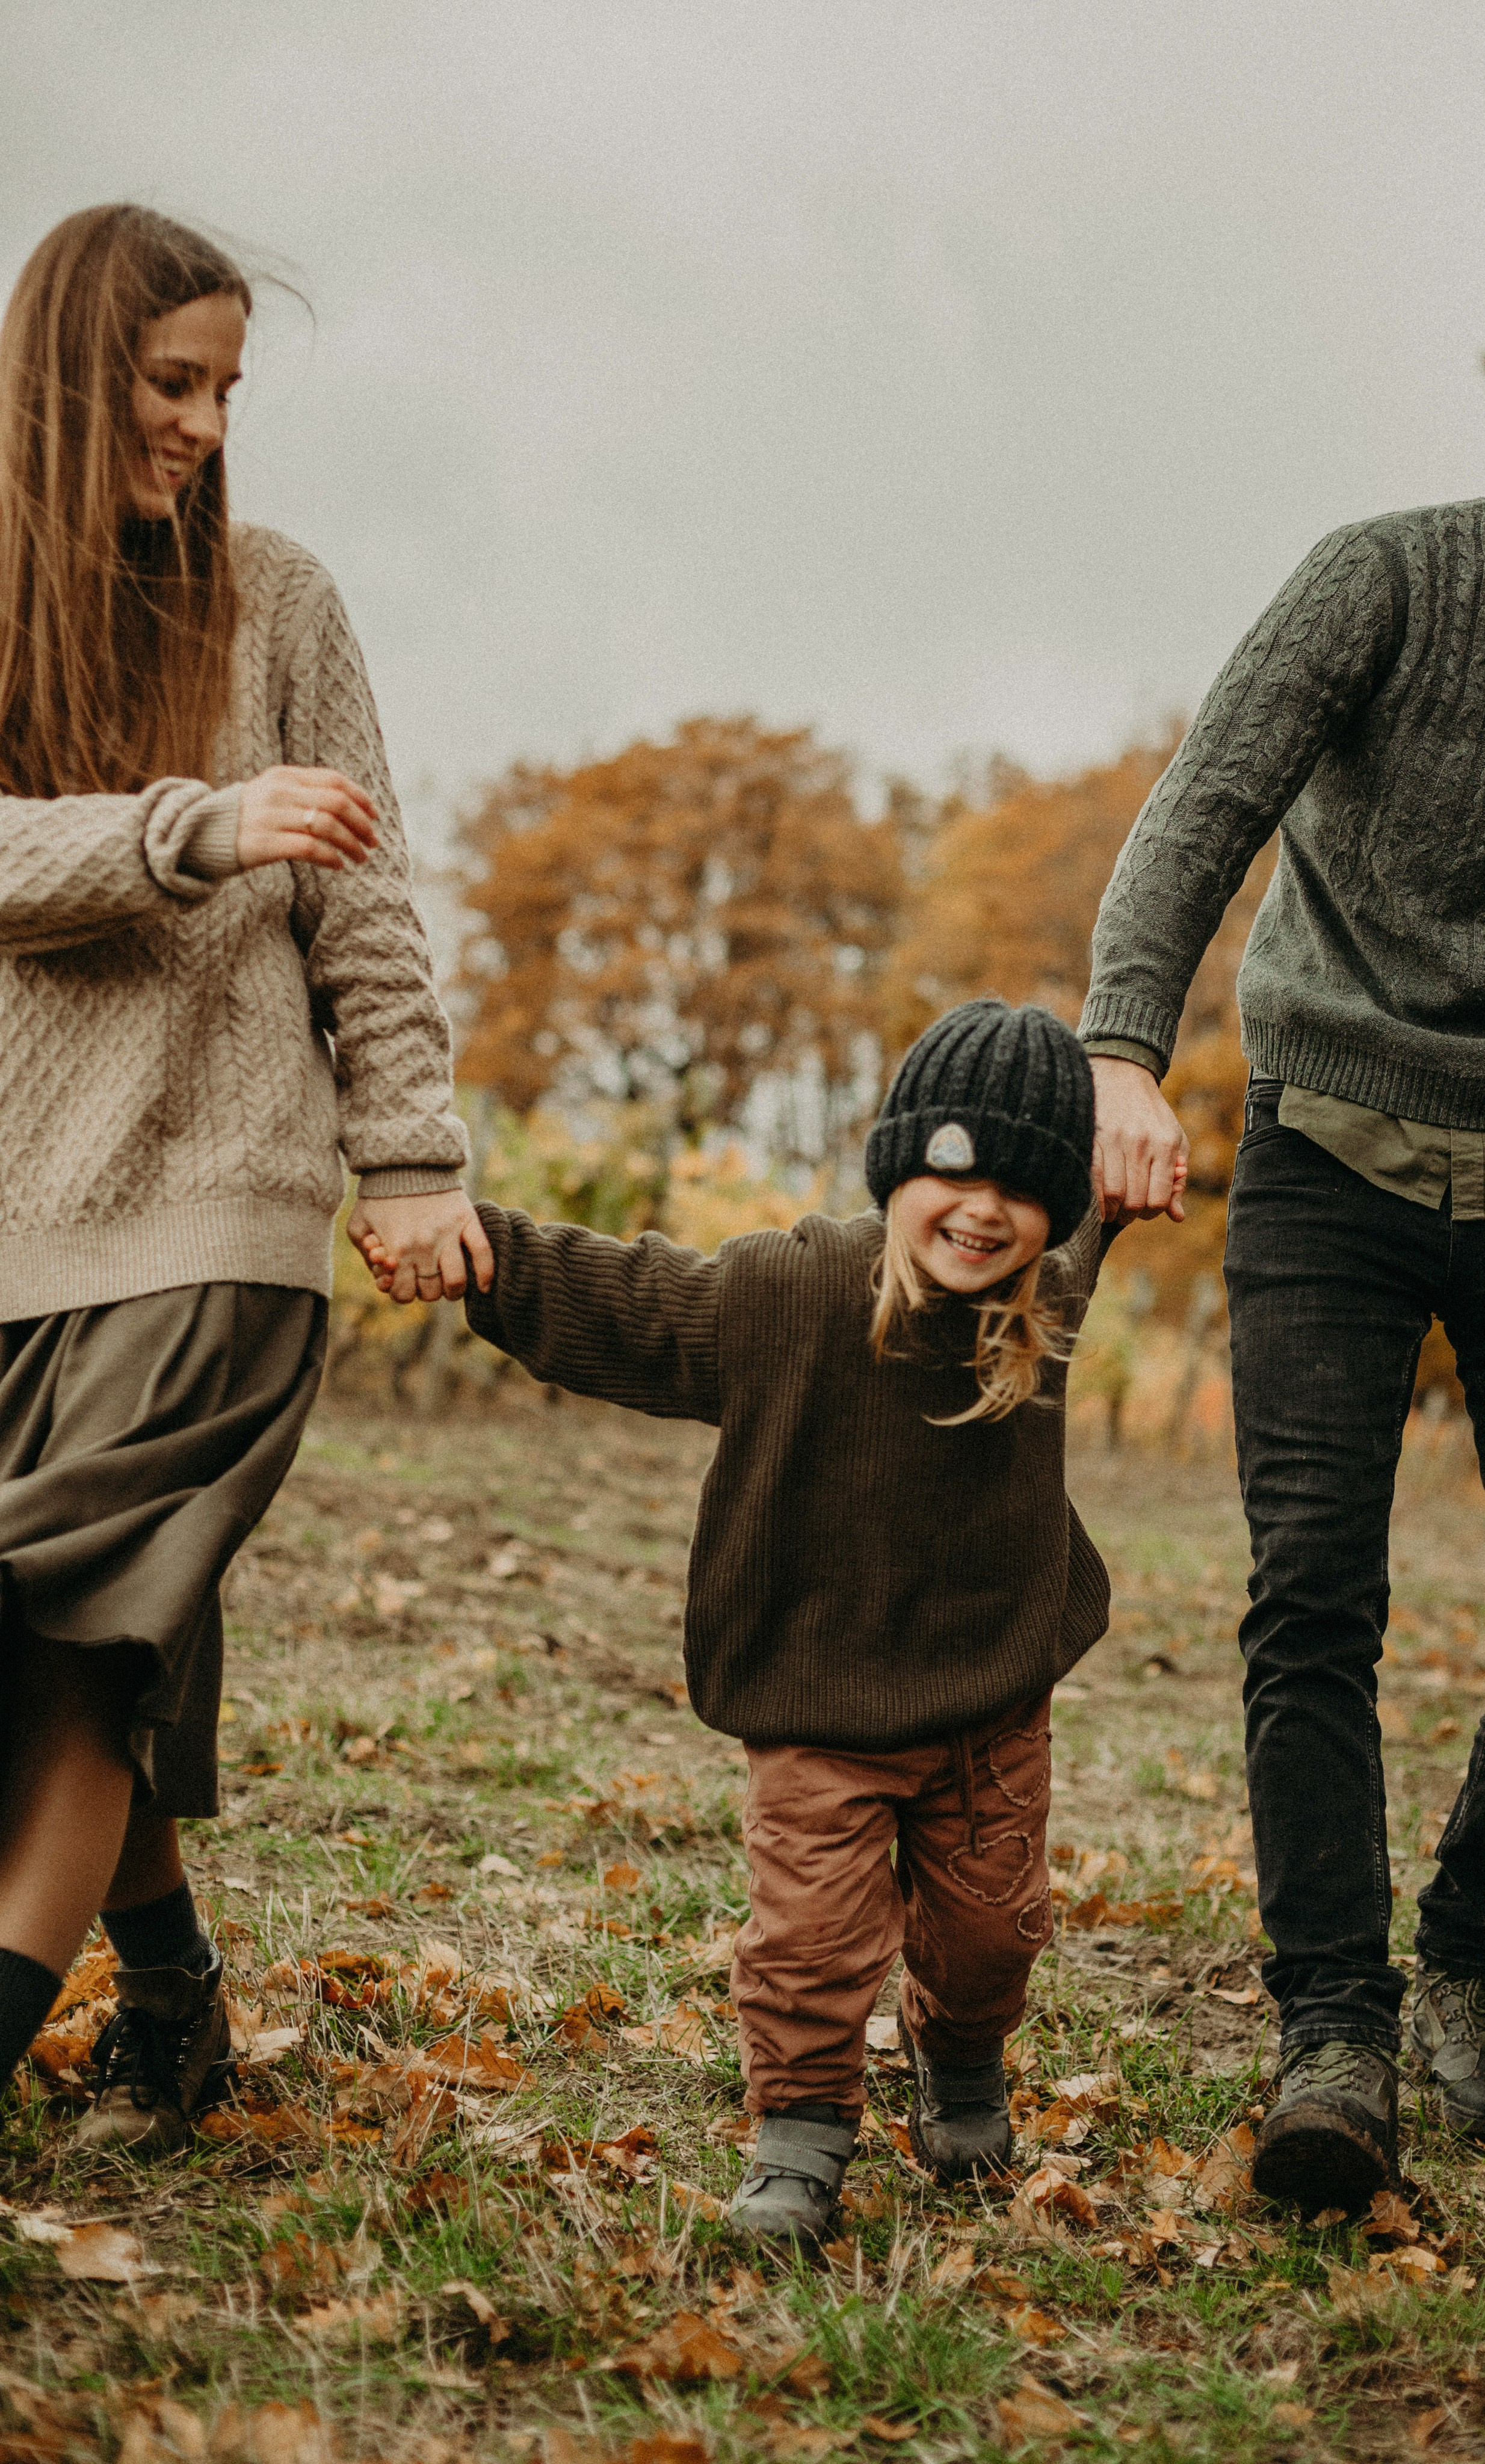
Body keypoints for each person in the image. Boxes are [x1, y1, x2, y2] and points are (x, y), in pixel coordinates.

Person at [0, 203, 492, 2158]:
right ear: (66, 378)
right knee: (92, 1657)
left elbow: (363, 916)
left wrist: (407, 1157)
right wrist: (190, 826)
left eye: (224, 390)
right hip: (23, 1223)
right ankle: (177, 2002)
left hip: (220, 1215)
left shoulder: (275, 600)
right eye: (168, 381)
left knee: (54, 1660)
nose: (203, 424)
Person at [378, 998, 1110, 2248]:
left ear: (1061, 1209)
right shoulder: (791, 1292)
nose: (983, 1208)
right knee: (811, 1935)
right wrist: (478, 1244)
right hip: (815, 1694)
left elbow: (1125, 1167)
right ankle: (802, 2129)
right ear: (896, 1166)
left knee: (992, 1926)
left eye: (1022, 1188)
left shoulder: (1041, 1307)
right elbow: (632, 1300)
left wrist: (1137, 1105)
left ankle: (965, 2057)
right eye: (953, 1169)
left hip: (989, 1697)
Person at [1081, 501, 1485, 2210]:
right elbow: (1205, 803)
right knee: (1311, 1589)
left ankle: (1465, 1948)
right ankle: (1334, 2031)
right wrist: (1118, 1046)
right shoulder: (1389, 579)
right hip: (1329, 1146)